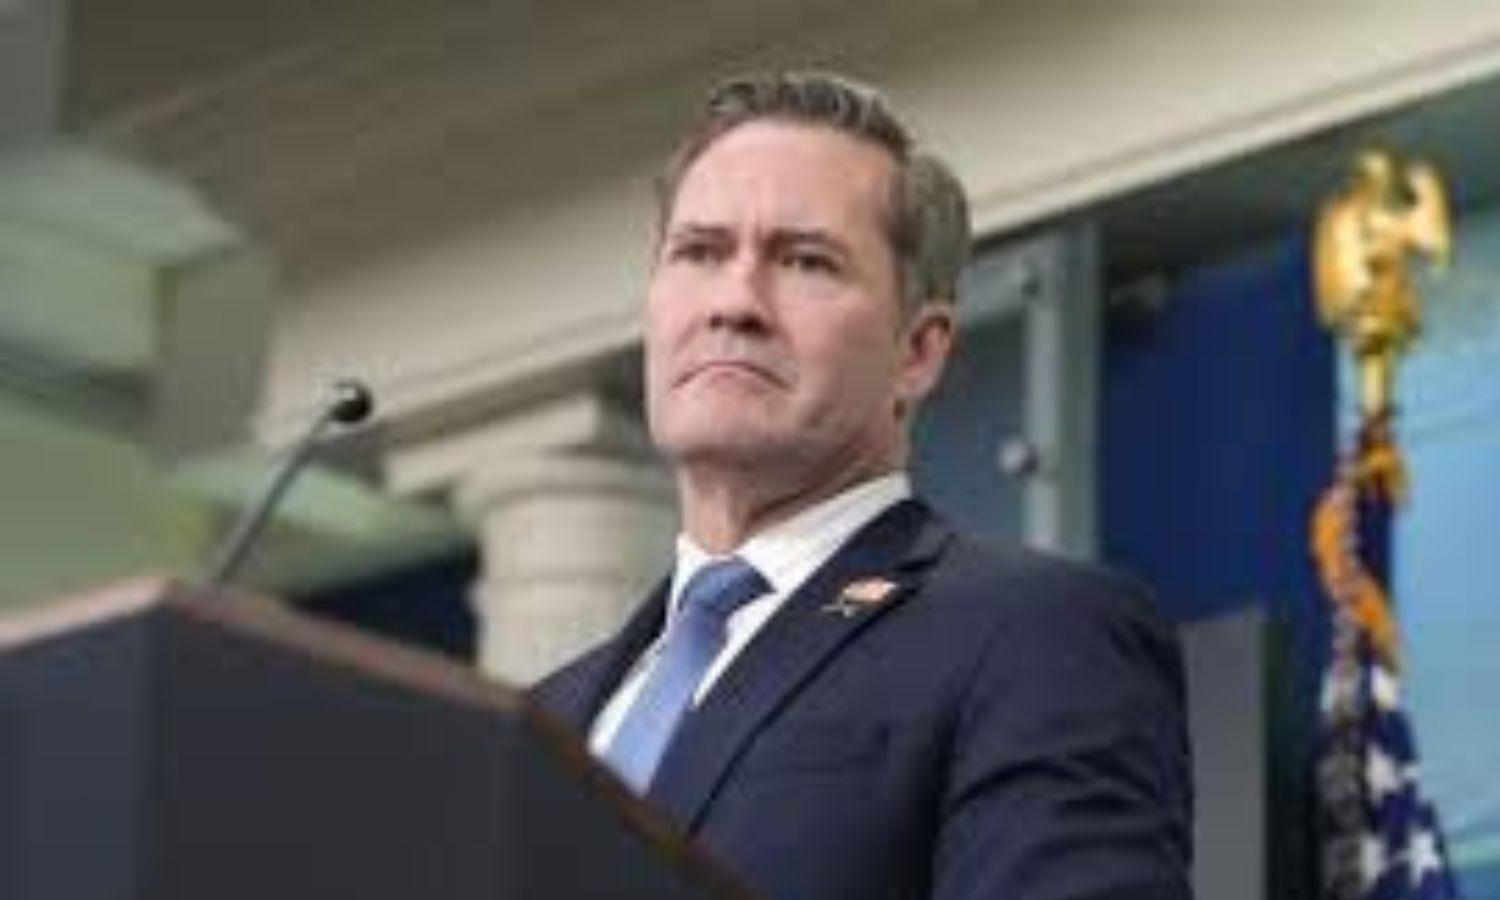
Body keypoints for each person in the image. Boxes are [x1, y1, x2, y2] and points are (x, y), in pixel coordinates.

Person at [532, 71, 1193, 900]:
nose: (735, 302)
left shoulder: (1034, 634)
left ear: (918, 351)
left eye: (805, 261)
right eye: (699, 252)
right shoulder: (539, 725)